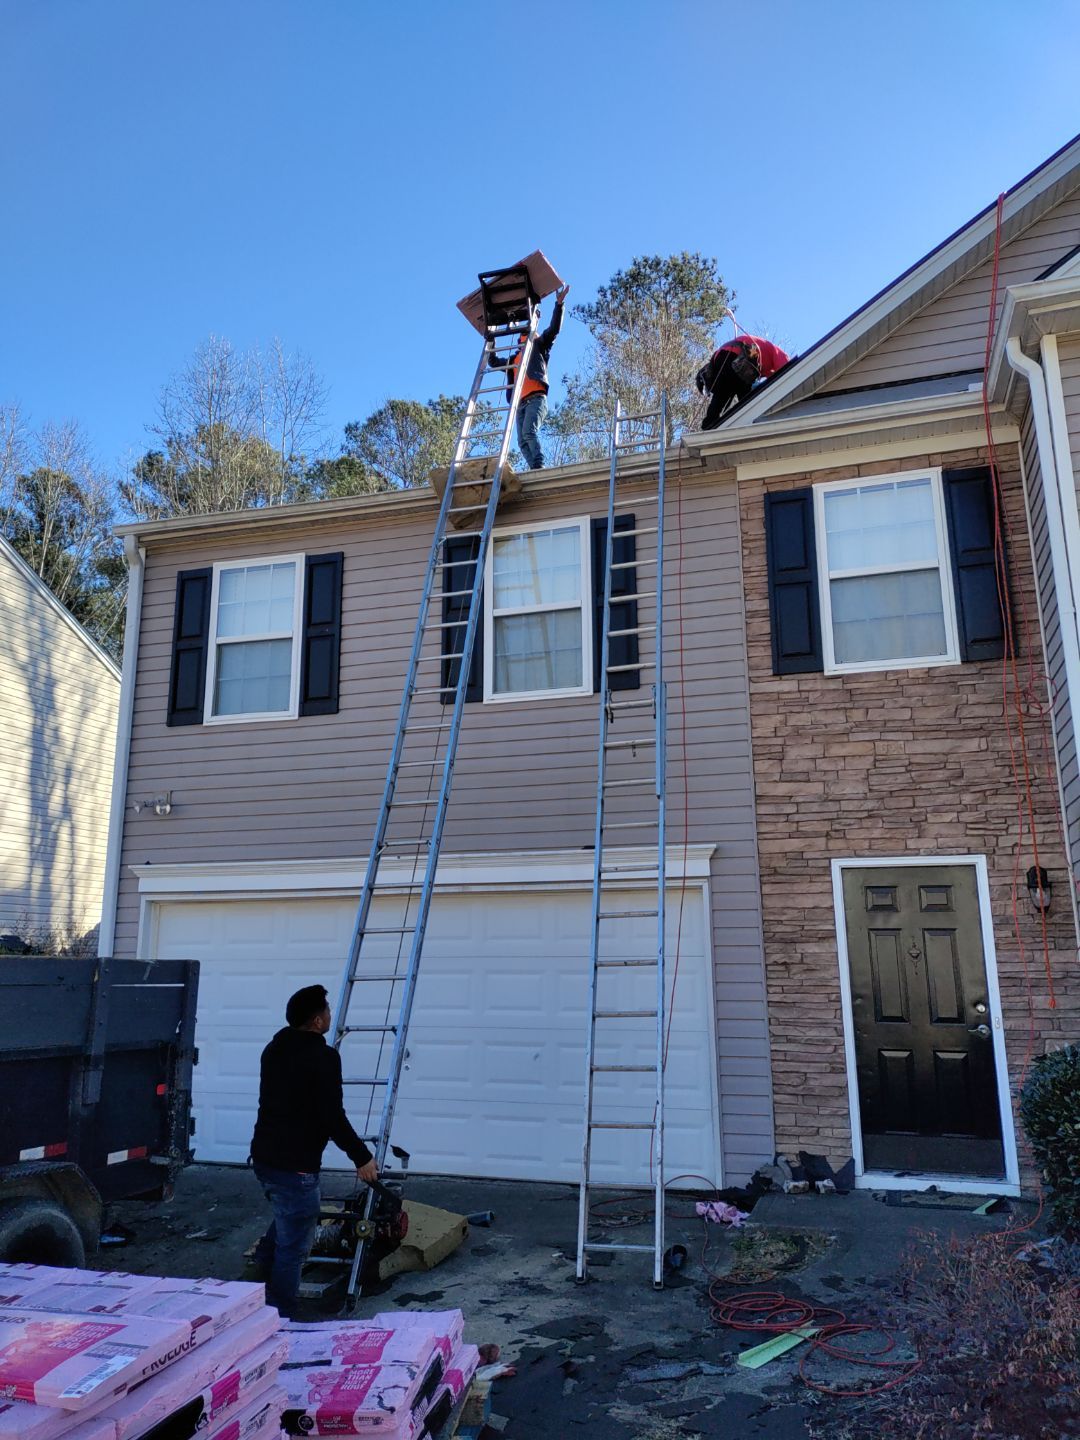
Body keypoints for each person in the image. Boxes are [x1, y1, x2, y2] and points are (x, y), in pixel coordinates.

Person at [249, 984, 378, 1318]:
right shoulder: (323, 1058)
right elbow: (331, 1116)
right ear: (318, 1020)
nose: (330, 1015)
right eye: (327, 1011)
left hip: (265, 1159)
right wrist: (362, 1157)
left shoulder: (273, 1050)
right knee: (294, 1248)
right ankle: (281, 1317)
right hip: (296, 1166)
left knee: (287, 1217)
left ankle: (252, 1283)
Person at [489, 283, 570, 469]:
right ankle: (534, 467)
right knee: (521, 441)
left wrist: (559, 305)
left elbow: (554, 330)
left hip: (536, 399)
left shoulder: (539, 346)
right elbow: (492, 361)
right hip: (520, 404)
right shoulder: (514, 359)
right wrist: (491, 339)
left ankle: (539, 464)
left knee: (529, 432)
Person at [696, 334, 790, 430]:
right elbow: (786, 373)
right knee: (745, 397)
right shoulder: (780, 353)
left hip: (722, 355)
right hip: (738, 356)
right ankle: (750, 421)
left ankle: (709, 424)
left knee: (723, 393)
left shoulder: (766, 363)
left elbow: (771, 379)